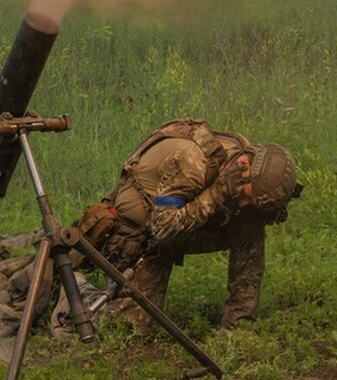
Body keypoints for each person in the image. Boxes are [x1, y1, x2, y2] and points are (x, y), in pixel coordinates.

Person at [76, 118, 300, 330]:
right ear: (243, 164)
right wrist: (216, 195)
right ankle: (77, 288)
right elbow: (163, 229)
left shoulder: (242, 167)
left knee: (251, 224)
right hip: (139, 231)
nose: (243, 203)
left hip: (182, 224)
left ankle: (239, 324)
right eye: (246, 196)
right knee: (128, 326)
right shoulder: (193, 163)